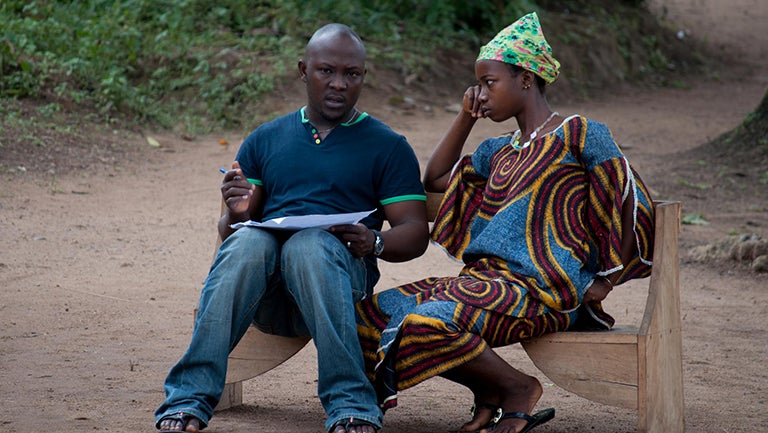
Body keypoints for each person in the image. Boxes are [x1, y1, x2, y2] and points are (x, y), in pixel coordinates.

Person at [355, 12, 655, 433]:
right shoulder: (500, 150)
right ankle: (491, 390)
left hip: (546, 291)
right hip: (485, 282)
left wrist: (605, 281)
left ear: (526, 78)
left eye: (489, 83)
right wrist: (466, 117)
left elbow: (629, 200)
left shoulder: (580, 134)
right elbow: (436, 179)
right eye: (478, 85)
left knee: (430, 320)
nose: (481, 93)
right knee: (366, 317)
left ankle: (517, 389)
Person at [154, 23, 430, 433]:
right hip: (263, 298)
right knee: (249, 241)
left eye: (351, 74)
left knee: (310, 246)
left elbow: (414, 231)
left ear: (363, 77)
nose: (338, 84)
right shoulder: (267, 139)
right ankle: (187, 399)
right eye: (326, 71)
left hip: (335, 290)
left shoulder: (386, 146)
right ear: (304, 70)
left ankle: (351, 404)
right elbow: (235, 227)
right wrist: (236, 211)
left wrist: (374, 240)